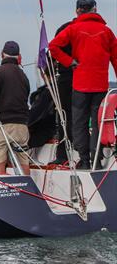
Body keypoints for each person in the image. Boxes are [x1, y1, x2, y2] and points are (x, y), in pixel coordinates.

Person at [48, 0, 117, 169]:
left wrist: (69, 61)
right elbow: (116, 58)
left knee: (79, 122)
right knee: (98, 122)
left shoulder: (73, 29)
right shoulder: (106, 32)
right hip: (100, 85)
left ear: (78, 10)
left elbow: (53, 47)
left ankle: (84, 160)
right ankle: (98, 159)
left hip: (80, 85)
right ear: (95, 9)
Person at [0, 41, 30, 175]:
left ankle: (3, 192)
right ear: (18, 56)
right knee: (23, 162)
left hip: (2, 125)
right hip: (21, 125)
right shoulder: (23, 75)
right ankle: (29, 192)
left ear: (2, 54)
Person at [50, 21, 75, 164]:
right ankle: (92, 153)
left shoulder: (66, 29)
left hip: (67, 77)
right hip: (88, 77)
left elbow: (53, 48)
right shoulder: (101, 30)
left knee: (64, 115)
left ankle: (63, 155)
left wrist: (67, 62)